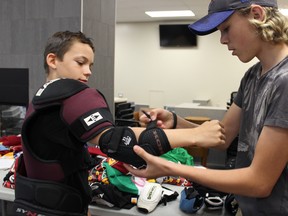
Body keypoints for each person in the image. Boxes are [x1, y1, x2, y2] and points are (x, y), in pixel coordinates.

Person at [13, 31, 225, 216]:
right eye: (80, 62)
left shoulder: (43, 97)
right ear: (53, 60)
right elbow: (118, 144)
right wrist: (196, 135)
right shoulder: (71, 94)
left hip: (47, 203)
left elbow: (106, 138)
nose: (88, 71)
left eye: (90, 65)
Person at [124, 0, 288, 215]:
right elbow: (222, 137)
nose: (222, 40)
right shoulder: (252, 76)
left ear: (256, 14)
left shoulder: (284, 81)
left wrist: (169, 167)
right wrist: (175, 122)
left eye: (226, 29)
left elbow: (259, 182)